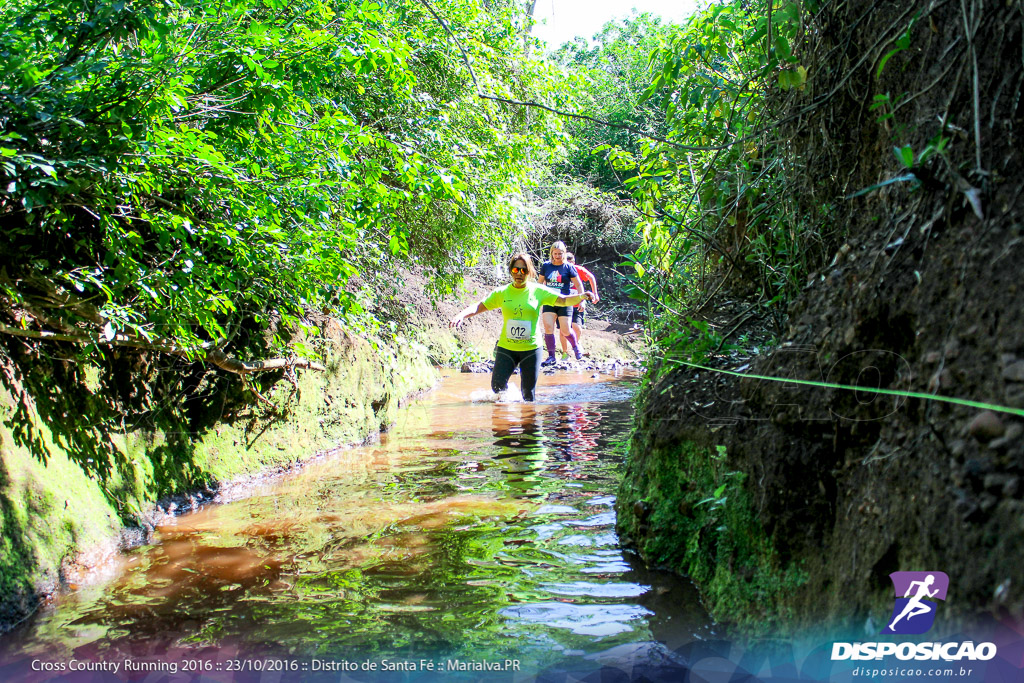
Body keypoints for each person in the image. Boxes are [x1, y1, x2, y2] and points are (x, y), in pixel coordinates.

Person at [449, 252, 593, 401]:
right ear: (511, 271)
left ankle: (527, 420)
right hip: (507, 348)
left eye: (523, 270)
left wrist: (582, 296)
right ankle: (505, 411)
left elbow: (563, 301)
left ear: (529, 272)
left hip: (531, 349)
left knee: (528, 396)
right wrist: (461, 315)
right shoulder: (502, 292)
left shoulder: (538, 291)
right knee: (497, 387)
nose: (519, 273)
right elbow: (480, 306)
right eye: (516, 270)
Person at [537, 241, 584, 365]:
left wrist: (581, 300)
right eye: (555, 253)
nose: (557, 256)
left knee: (566, 330)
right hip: (549, 301)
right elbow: (539, 284)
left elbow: (579, 284)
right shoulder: (546, 266)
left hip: (564, 302)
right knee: (548, 328)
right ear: (551, 253)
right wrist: (536, 299)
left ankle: (575, 347)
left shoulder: (569, 267)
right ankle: (551, 356)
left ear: (564, 253)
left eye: (560, 254)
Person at [559, 251, 599, 359]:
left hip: (577, 304)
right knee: (563, 330)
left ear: (574, 262)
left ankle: (576, 344)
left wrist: (594, 294)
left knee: (577, 327)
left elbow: (591, 277)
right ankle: (565, 352)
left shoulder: (579, 270)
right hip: (564, 304)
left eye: (570, 264)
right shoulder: (560, 270)